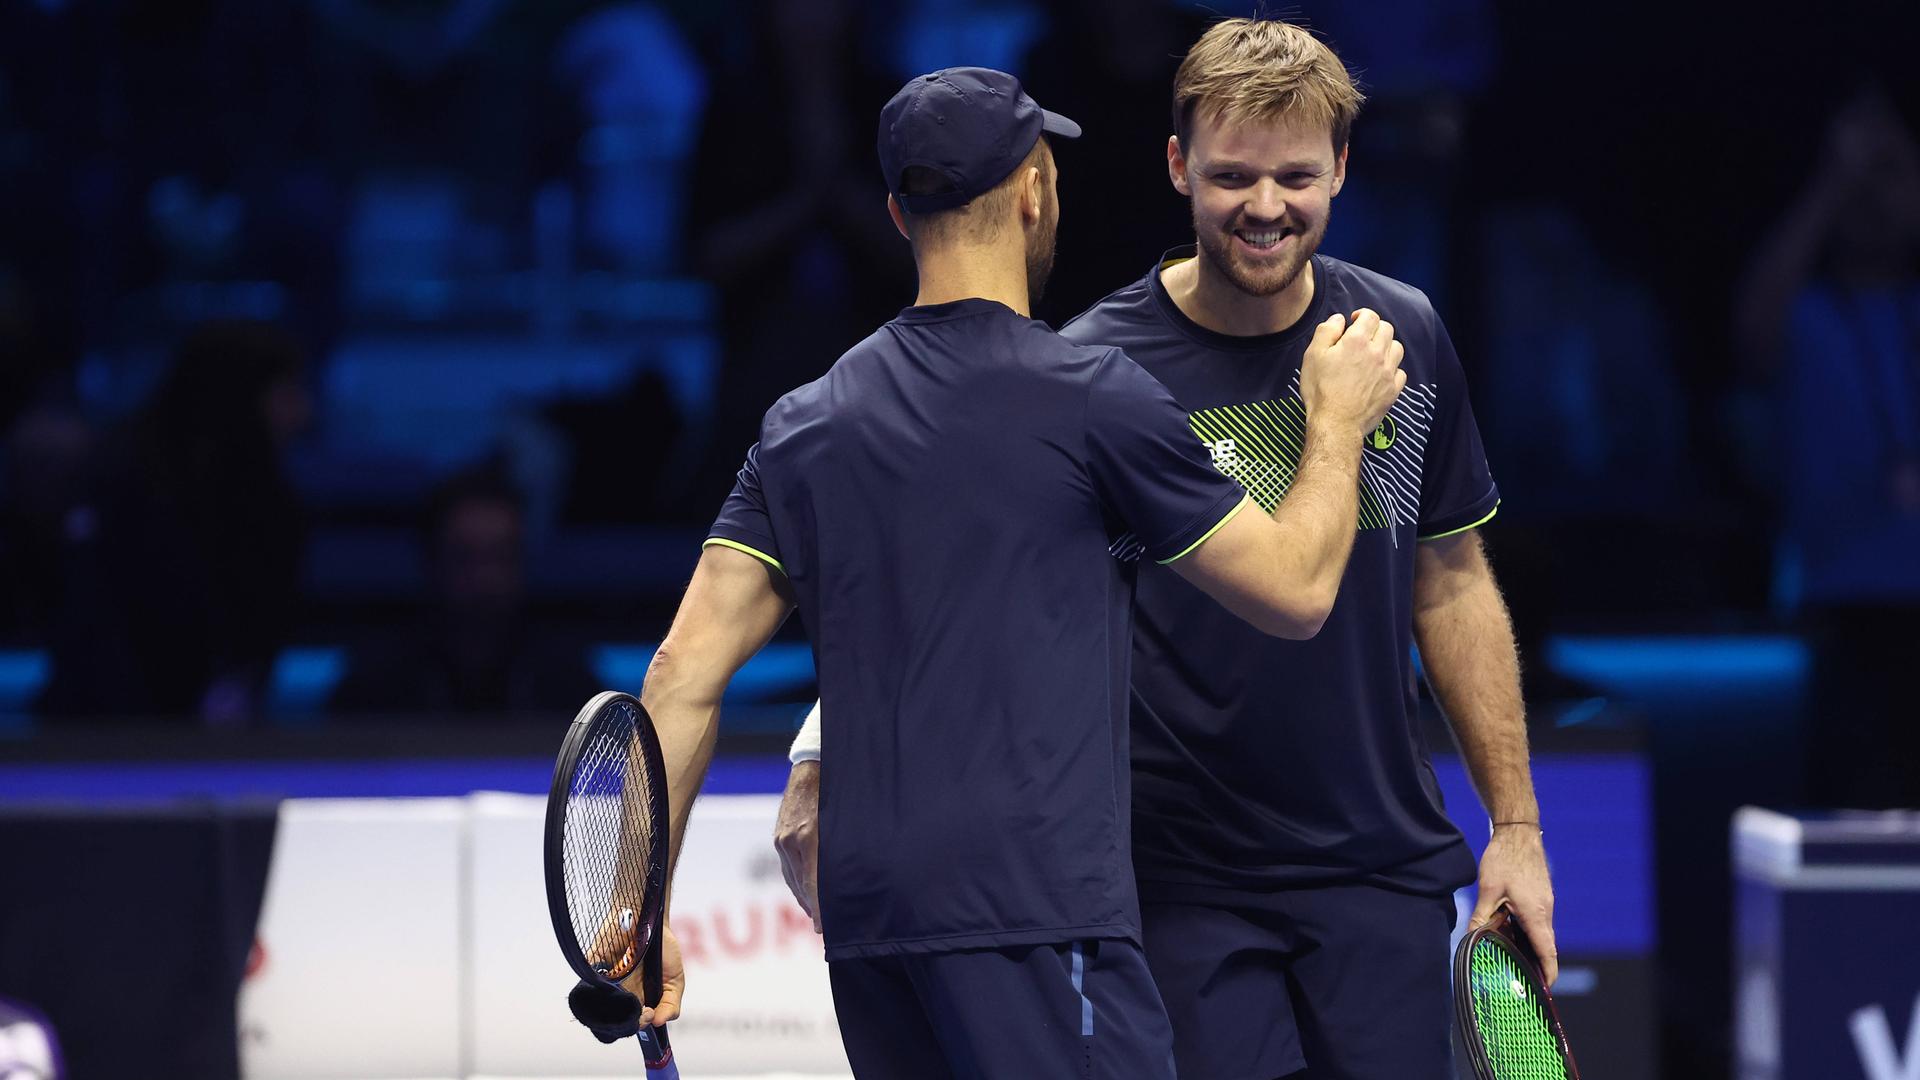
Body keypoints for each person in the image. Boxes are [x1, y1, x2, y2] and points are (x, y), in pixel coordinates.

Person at [591, 66, 1407, 1078]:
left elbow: (679, 675)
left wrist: (640, 911)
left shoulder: (803, 428)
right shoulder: (1093, 396)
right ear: (1035, 191)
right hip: (1039, 913)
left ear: (896, 212)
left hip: (872, 929)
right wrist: (1335, 425)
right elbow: (1295, 590)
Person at [775, 21, 1553, 1080]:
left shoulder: (1401, 337)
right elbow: (964, 585)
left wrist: (1517, 829)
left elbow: (1453, 586)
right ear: (1180, 167)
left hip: (1381, 868)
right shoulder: (1094, 370)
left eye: (1295, 177)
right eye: (1233, 176)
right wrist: (821, 756)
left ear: (1341, 170)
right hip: (1178, 883)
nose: (1266, 207)